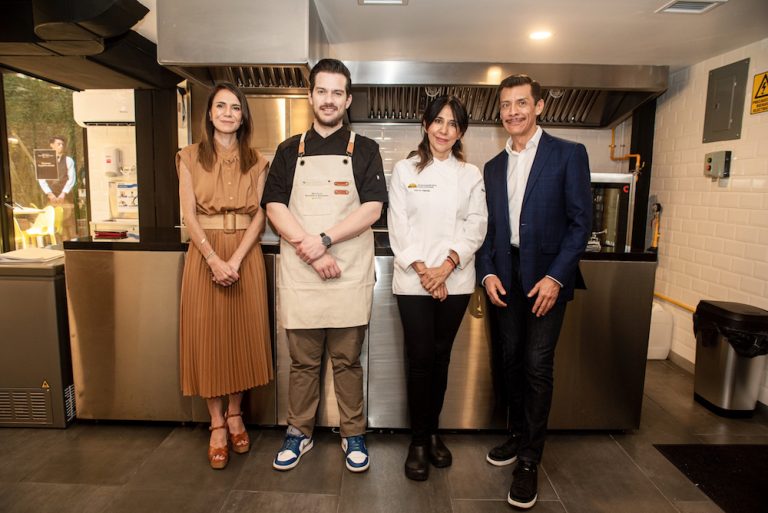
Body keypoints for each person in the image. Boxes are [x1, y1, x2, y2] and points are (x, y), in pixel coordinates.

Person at [263, 58, 386, 474]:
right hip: (303, 273)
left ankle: (354, 433)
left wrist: (325, 240)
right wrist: (312, 248)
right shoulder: (288, 150)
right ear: (310, 96)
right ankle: (299, 432)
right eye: (322, 91)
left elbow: (372, 208)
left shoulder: (365, 149)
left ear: (347, 100)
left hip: (348, 271)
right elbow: (274, 206)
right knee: (302, 362)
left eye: (337, 92)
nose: (329, 100)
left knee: (348, 361)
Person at [476, 74, 592, 509]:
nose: (513, 112)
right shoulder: (493, 167)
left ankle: (529, 461)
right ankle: (516, 434)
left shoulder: (568, 154)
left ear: (539, 106)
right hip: (506, 277)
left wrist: (557, 277)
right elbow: (487, 230)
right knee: (509, 361)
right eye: (506, 105)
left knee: (537, 365)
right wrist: (487, 273)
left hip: (546, 280)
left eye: (521, 103)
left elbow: (581, 224)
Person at [388, 95, 487, 481]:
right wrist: (425, 272)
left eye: (453, 124)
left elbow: (476, 224)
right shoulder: (404, 169)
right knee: (420, 359)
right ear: (425, 124)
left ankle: (432, 433)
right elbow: (399, 224)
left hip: (455, 279)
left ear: (460, 132)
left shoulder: (470, 174)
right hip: (414, 281)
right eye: (438, 121)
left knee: (441, 357)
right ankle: (417, 441)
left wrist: (444, 269)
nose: (444, 130)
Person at [177, 82, 273, 470]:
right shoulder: (188, 157)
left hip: (245, 254)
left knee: (242, 336)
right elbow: (189, 214)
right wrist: (215, 259)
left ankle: (236, 414)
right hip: (205, 254)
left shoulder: (258, 161)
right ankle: (216, 423)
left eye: (235, 107)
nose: (228, 113)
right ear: (210, 113)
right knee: (208, 337)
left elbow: (261, 215)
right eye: (221, 106)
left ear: (243, 115)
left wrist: (235, 258)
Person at [38, 135, 76, 240]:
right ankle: (54, 244)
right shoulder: (45, 160)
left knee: (68, 221)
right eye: (58, 144)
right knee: (52, 221)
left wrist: (64, 193)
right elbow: (41, 179)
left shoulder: (68, 160)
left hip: (65, 196)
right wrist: (49, 193)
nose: (61, 146)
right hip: (50, 196)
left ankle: (70, 244)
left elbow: (71, 178)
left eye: (62, 144)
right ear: (52, 145)